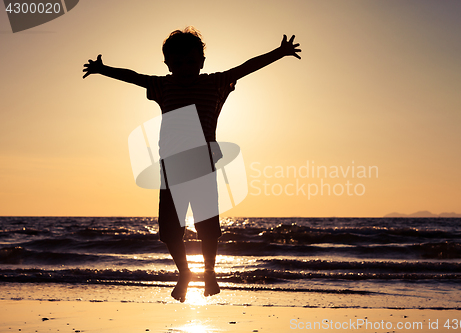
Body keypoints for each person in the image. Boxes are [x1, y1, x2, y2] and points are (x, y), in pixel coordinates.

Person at [83, 27, 301, 302]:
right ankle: (184, 272)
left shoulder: (215, 83)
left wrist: (279, 53)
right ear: (168, 65)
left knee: (208, 227)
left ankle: (209, 272)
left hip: (202, 166)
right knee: (170, 230)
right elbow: (134, 77)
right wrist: (104, 70)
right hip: (171, 168)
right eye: (178, 63)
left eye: (190, 61)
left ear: (201, 62)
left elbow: (246, 67)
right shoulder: (164, 85)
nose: (185, 68)